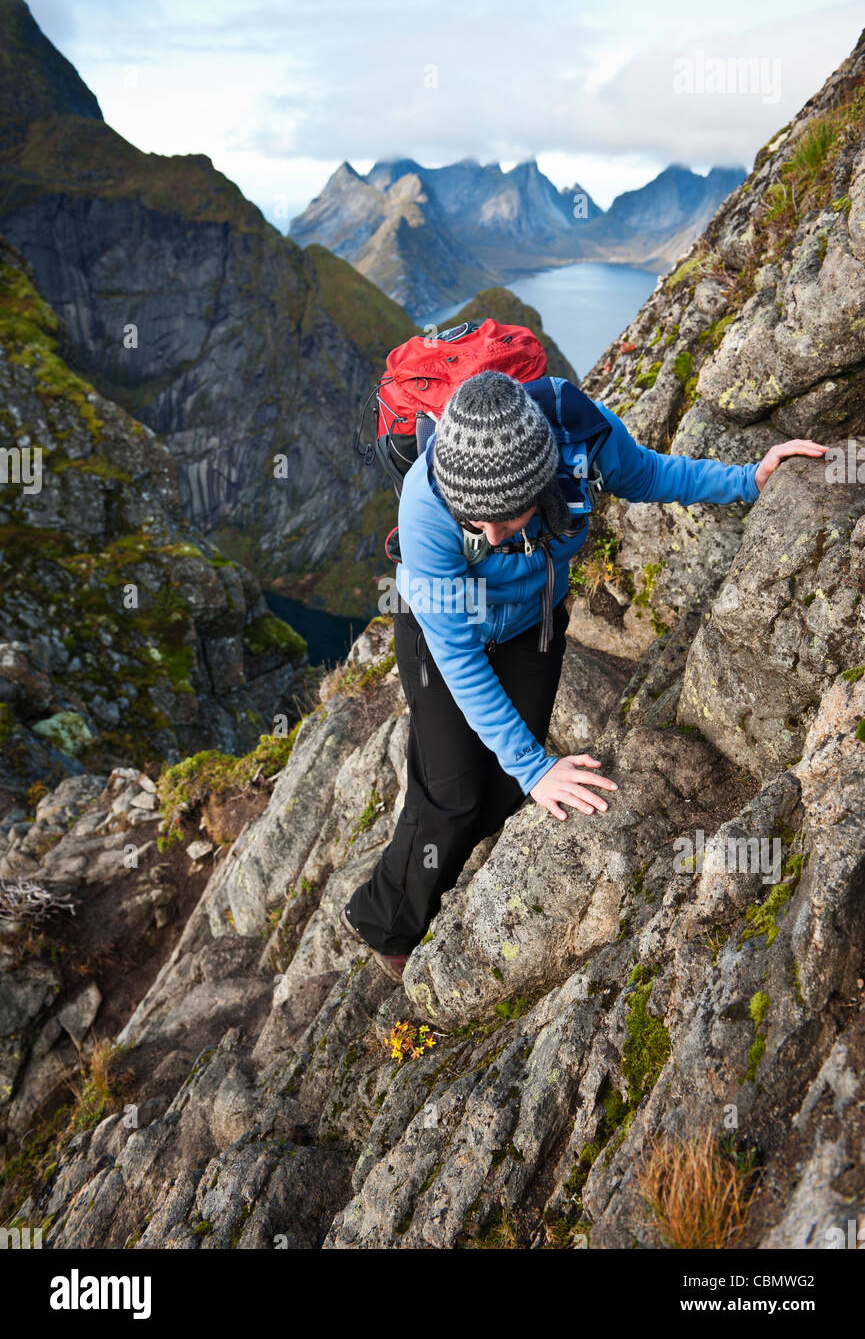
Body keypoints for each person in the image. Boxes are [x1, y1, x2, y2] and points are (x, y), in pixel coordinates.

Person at [340, 370, 828, 982]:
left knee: (502, 795)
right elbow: (458, 655)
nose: (490, 537)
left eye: (507, 518)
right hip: (440, 642)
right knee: (452, 796)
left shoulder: (579, 436)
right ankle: (387, 922)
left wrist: (748, 480)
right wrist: (536, 764)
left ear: (542, 479)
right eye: (476, 524)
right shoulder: (427, 502)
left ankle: (436, 861)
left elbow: (649, 474)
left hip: (530, 624)